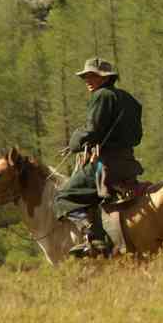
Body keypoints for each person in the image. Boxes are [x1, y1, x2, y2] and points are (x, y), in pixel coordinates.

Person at [54, 57, 144, 258]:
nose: (87, 79)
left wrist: (74, 143)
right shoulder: (129, 99)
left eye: (92, 76)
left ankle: (92, 239)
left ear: (104, 78)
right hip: (128, 164)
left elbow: (91, 130)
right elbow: (137, 137)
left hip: (107, 165)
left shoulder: (101, 95)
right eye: (85, 76)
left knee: (63, 196)